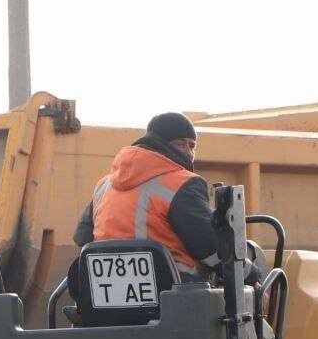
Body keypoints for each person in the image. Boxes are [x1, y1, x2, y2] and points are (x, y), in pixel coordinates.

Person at [73, 111, 218, 277]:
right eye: (180, 144)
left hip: (107, 294)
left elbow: (82, 237)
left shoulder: (104, 185)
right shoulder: (183, 184)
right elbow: (210, 248)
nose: (188, 152)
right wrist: (250, 272)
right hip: (176, 292)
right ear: (159, 142)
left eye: (192, 146)